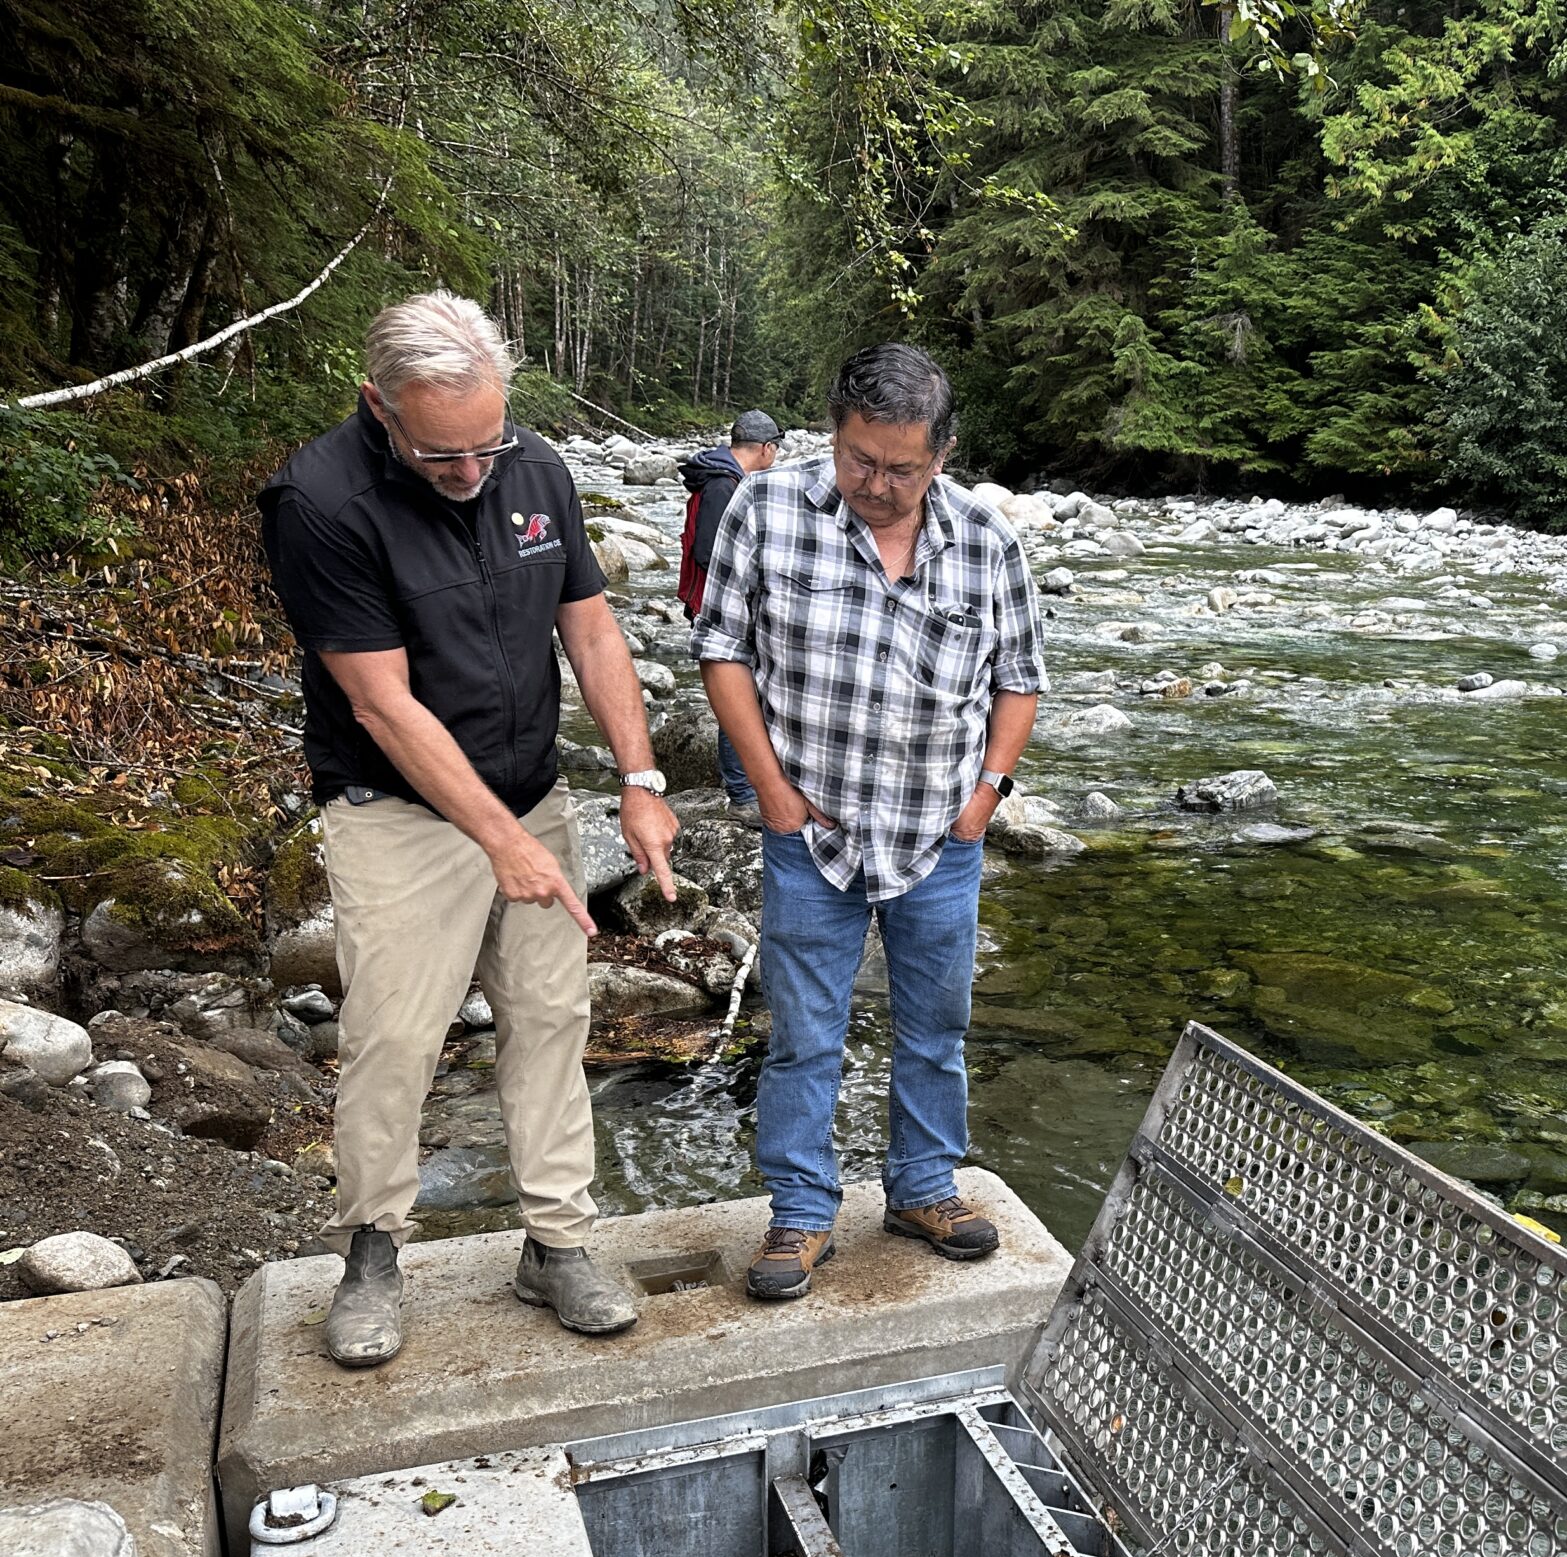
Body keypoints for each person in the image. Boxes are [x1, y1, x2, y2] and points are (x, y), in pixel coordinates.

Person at [260, 290, 681, 1368]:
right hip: (395, 812)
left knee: (549, 1018)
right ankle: (370, 1253)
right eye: (442, 454)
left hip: (531, 788)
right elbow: (381, 703)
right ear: (377, 406)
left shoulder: (530, 466)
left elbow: (587, 627)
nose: (471, 472)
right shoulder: (320, 500)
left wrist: (637, 777)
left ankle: (556, 1244)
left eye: (485, 442)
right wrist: (499, 839)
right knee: (395, 1038)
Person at [692, 343, 1043, 1299]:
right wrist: (769, 789)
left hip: (942, 836)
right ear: (833, 436)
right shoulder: (764, 513)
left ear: (943, 454)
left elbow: (1019, 680)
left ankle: (923, 1185)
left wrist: (988, 796)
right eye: (858, 460)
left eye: (902, 468)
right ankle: (801, 1211)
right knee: (806, 1032)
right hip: (811, 830)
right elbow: (722, 651)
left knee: (937, 1024)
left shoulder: (988, 541)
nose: (876, 485)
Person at [678, 410, 785, 812]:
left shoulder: (720, 477)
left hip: (712, 602)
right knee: (740, 696)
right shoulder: (726, 487)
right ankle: (742, 794)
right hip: (719, 608)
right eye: (775, 448)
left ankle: (746, 786)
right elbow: (711, 551)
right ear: (765, 448)